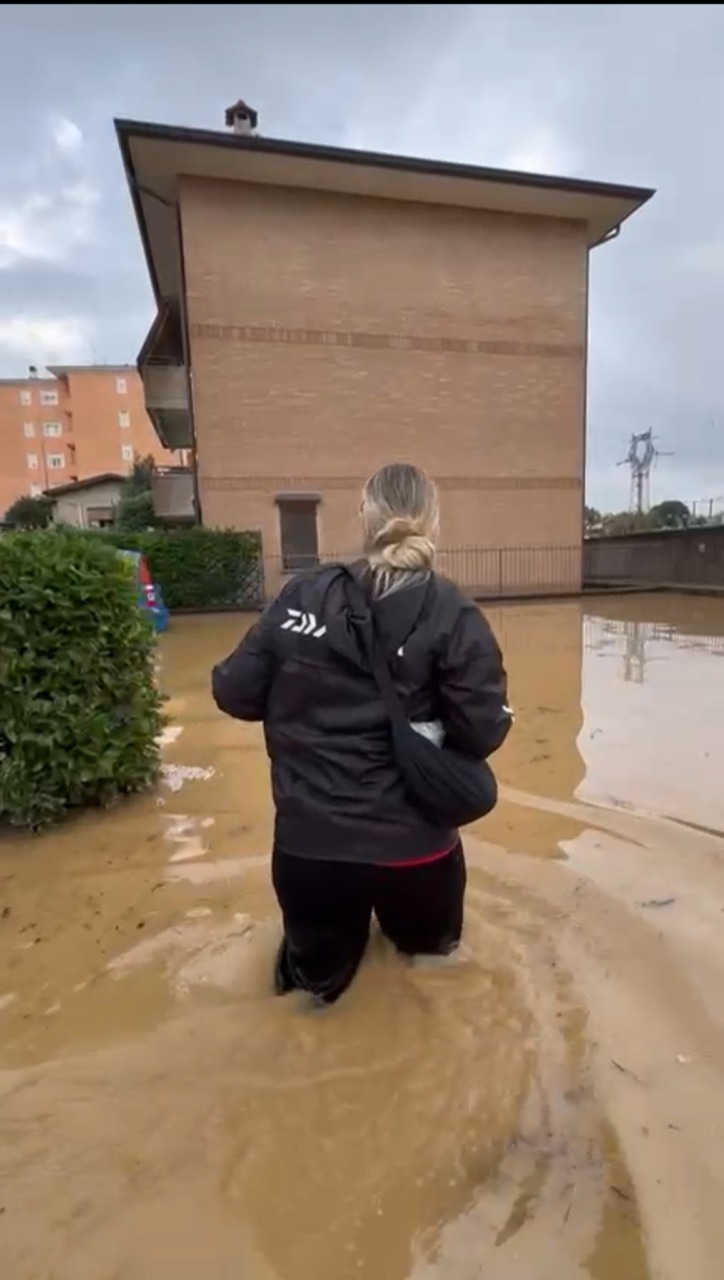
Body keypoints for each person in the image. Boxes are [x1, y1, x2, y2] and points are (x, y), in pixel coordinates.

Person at [212, 463, 512, 1003]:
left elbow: (234, 693)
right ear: (433, 522)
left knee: (312, 995)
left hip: (310, 846)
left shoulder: (300, 596)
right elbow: (483, 733)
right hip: (416, 850)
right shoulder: (453, 612)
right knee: (433, 972)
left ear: (364, 518)